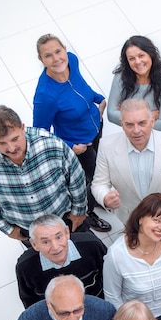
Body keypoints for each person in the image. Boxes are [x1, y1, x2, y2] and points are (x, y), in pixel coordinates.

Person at [33, 33, 111, 232]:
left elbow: (81, 87)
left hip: (96, 126)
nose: (56, 58)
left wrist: (98, 98)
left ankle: (99, 195)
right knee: (93, 177)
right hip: (79, 145)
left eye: (58, 51)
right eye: (48, 55)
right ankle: (87, 211)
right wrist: (70, 146)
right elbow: (40, 134)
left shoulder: (72, 61)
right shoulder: (45, 96)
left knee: (100, 170)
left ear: (64, 49)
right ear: (41, 60)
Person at [0, 105, 87, 241]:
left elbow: (76, 177)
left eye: (15, 139)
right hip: (27, 231)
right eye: (2, 143)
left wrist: (79, 211)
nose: (11, 148)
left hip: (66, 219)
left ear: (22, 128)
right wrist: (8, 229)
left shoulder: (50, 143)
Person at [91, 99, 161, 227]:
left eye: (142, 123)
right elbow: (99, 183)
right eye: (129, 125)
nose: (136, 131)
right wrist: (105, 198)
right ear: (122, 124)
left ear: (152, 121)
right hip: (130, 219)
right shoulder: (106, 145)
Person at [16, 214, 107, 308]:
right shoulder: (25, 267)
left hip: (97, 302)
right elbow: (30, 302)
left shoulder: (92, 245)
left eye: (59, 237)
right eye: (46, 242)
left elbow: (111, 276)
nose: (55, 247)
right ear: (34, 244)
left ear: (67, 233)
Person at [107, 35, 161, 133]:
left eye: (141, 56)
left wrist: (127, 116)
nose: (138, 62)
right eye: (131, 59)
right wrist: (146, 117)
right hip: (134, 139)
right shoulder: (121, 77)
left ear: (150, 54)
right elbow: (111, 114)